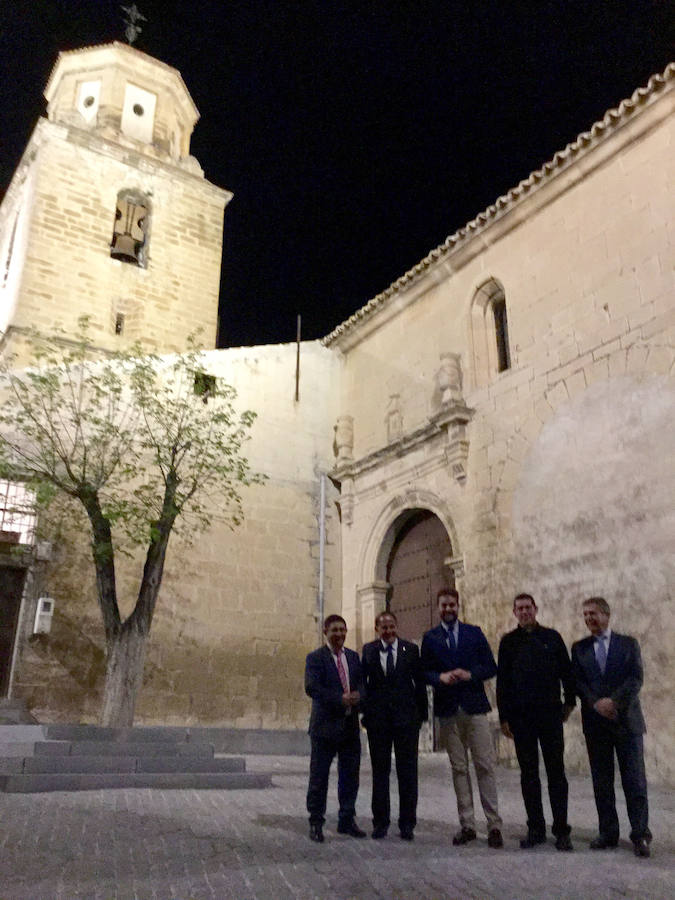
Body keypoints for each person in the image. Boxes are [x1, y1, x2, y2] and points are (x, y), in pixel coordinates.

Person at [421, 587, 503, 848]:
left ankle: (494, 825)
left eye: (452, 605)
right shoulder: (430, 638)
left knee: (484, 766)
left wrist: (470, 674)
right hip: (448, 710)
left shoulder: (474, 633)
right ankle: (467, 824)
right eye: (444, 605)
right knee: (459, 769)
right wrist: (440, 677)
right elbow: (424, 672)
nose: (448, 609)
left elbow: (490, 667)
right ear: (438, 608)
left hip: (475, 708)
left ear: (458, 606)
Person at [571, 597, 651, 858]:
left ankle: (640, 834)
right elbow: (578, 682)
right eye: (585, 615)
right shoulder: (579, 648)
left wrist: (613, 702)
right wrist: (596, 703)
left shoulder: (628, 644)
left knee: (634, 781)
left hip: (627, 722)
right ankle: (608, 832)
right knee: (602, 782)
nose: (588, 618)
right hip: (596, 724)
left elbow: (636, 678)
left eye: (593, 613)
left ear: (606, 614)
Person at [496, 593, 575, 851]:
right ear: (514, 612)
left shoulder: (552, 637)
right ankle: (536, 829)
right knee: (529, 775)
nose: (524, 612)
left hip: (550, 715)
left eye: (528, 607)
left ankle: (561, 831)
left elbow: (567, 672)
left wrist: (569, 703)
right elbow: (503, 683)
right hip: (522, 719)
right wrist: (504, 717)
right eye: (519, 608)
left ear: (536, 609)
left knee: (556, 773)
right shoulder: (508, 643)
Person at [361, 611, 428, 840]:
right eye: (384, 627)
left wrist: (421, 716)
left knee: (407, 773)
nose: (388, 631)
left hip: (406, 721)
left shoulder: (411, 650)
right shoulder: (369, 650)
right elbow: (363, 684)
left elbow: (419, 684)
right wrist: (365, 713)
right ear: (377, 629)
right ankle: (380, 822)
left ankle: (407, 823)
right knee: (380, 773)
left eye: (391, 626)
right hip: (378, 722)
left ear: (396, 627)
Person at [305, 613, 365, 842]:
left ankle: (346, 819)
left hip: (349, 726)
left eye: (342, 630)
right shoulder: (315, 658)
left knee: (350, 777)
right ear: (325, 632)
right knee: (319, 777)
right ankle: (316, 822)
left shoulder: (353, 657)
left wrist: (359, 695)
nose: (339, 634)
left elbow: (361, 684)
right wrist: (339, 699)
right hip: (325, 728)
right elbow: (312, 687)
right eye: (334, 630)